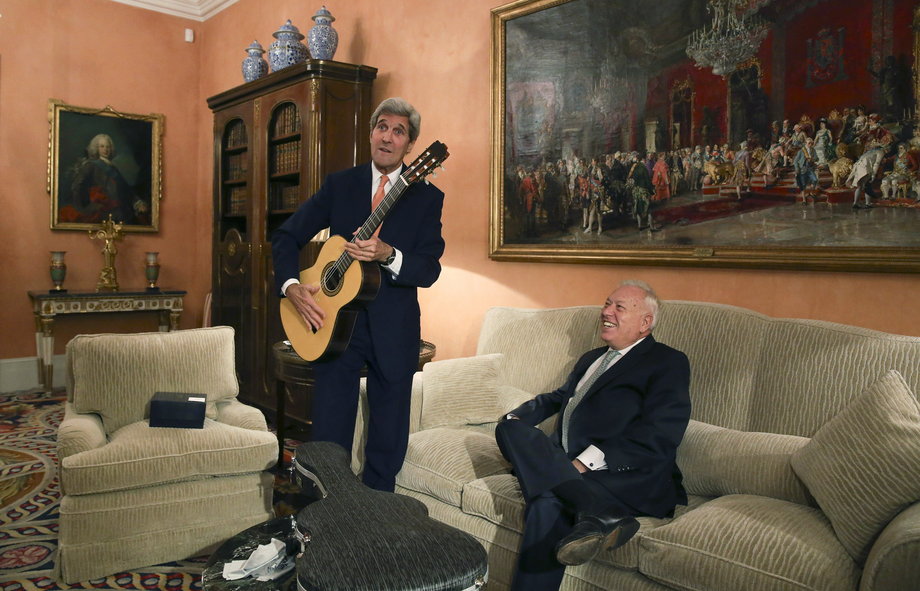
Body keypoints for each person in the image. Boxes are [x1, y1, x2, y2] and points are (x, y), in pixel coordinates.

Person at [271, 97, 445, 492]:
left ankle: (375, 524)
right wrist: (291, 286)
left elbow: (429, 269)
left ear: (410, 146)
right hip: (333, 327)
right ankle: (329, 517)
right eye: (382, 127)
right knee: (329, 434)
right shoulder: (341, 185)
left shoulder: (426, 198)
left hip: (393, 329)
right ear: (371, 134)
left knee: (387, 437)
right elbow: (286, 236)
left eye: (399, 131)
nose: (388, 136)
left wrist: (390, 254)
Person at [495, 280, 691, 591]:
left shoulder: (667, 362)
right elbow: (560, 397)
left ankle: (579, 496)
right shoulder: (591, 358)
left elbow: (661, 433)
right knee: (508, 427)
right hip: (571, 467)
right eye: (606, 304)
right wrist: (518, 416)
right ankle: (595, 508)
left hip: (622, 475)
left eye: (618, 307)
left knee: (548, 503)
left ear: (645, 323)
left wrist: (585, 463)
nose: (605, 312)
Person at [64, 133, 149, 225]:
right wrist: (88, 207)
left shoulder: (113, 167)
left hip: (119, 211)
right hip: (101, 213)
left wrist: (137, 202)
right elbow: (77, 186)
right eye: (102, 146)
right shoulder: (91, 165)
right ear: (96, 148)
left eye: (108, 147)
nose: (105, 149)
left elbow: (125, 188)